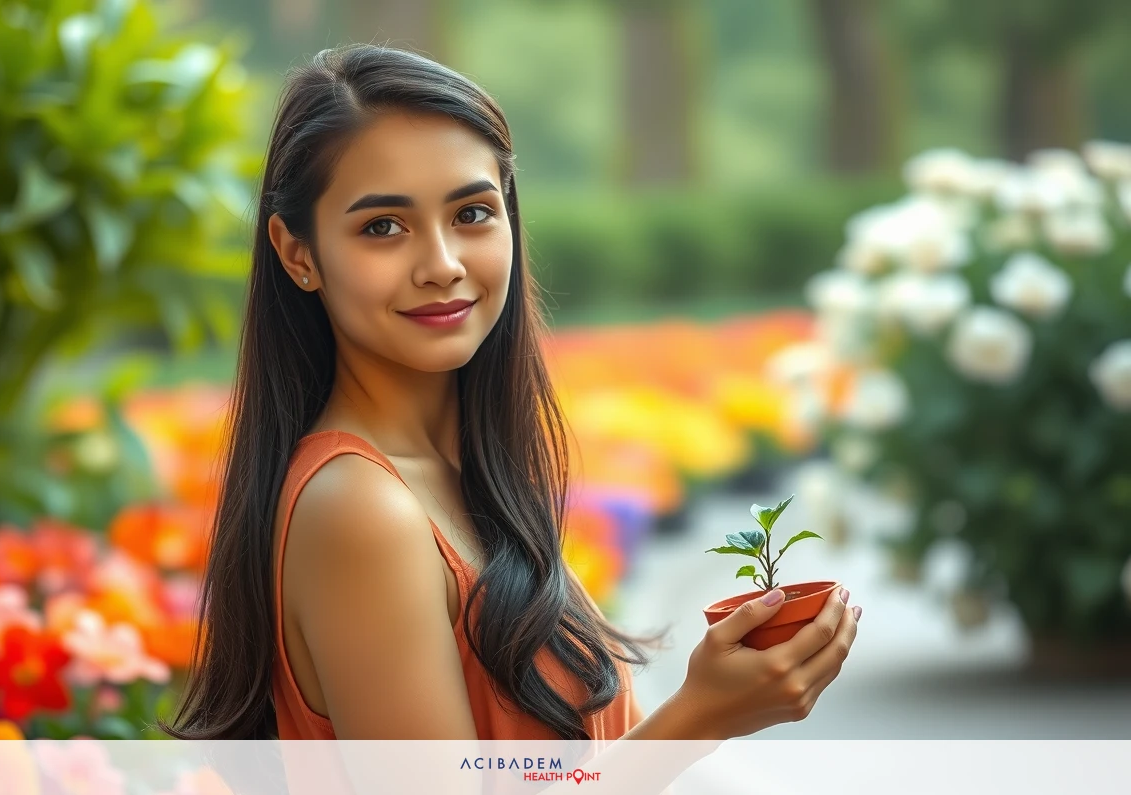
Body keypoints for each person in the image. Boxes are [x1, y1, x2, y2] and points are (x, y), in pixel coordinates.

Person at [165, 44, 861, 743]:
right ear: (298, 254)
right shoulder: (360, 510)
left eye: (471, 213)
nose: (441, 265)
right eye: (384, 227)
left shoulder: (468, 476)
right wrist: (697, 720)